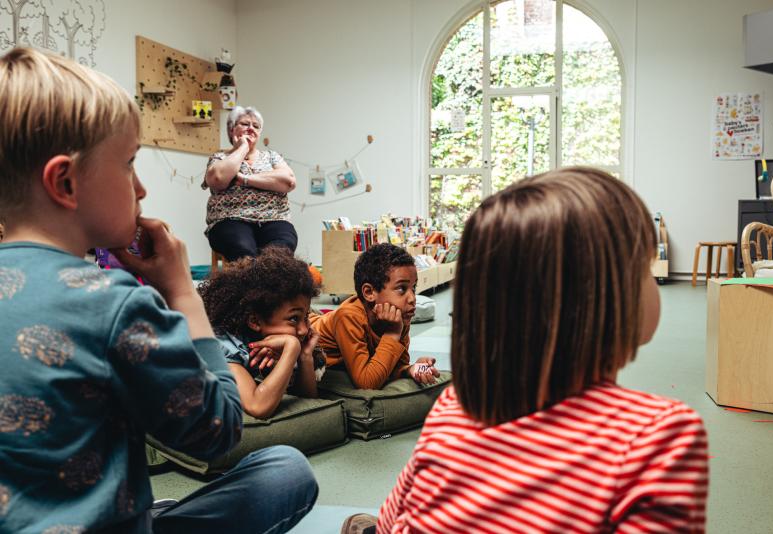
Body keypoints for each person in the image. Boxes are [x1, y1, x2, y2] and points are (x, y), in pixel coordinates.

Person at [0, 47, 317, 534]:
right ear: (64, 181)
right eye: (129, 164)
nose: (142, 188)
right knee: (286, 471)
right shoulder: (115, 301)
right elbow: (219, 430)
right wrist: (181, 293)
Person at [361, 168, 709, 533]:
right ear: (603, 296)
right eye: (645, 267)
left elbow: (390, 522)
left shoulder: (454, 405)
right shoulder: (659, 438)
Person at [198, 247, 326, 419]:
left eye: (306, 317)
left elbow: (308, 401)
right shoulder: (223, 346)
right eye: (294, 319)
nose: (304, 329)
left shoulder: (271, 341)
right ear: (255, 321)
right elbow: (257, 406)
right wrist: (292, 347)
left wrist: (305, 356)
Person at [310, 243, 440, 390]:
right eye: (401, 288)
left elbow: (393, 366)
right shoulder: (350, 317)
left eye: (413, 288)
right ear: (369, 292)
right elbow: (366, 383)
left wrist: (410, 369)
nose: (412, 298)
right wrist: (392, 333)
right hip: (310, 323)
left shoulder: (399, 318)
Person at [202, 105, 298, 260]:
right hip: (231, 219)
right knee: (242, 249)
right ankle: (253, 283)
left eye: (256, 126)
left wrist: (244, 179)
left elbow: (288, 182)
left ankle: (268, 282)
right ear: (232, 129)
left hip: (274, 218)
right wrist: (243, 148)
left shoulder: (272, 156)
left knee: (281, 248)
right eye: (245, 124)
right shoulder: (220, 157)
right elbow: (218, 179)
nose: (251, 129)